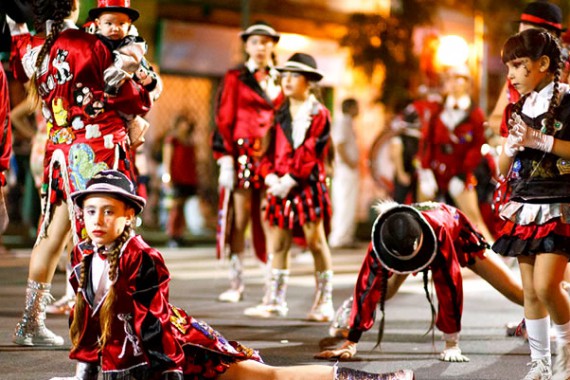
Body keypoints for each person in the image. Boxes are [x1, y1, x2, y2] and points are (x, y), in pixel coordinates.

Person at [47, 169, 415, 380]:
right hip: (132, 361)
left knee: (268, 377)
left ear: (130, 215)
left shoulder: (143, 257)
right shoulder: (81, 255)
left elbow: (153, 327)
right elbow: (90, 326)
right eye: (91, 211)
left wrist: (169, 376)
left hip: (179, 352)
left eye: (109, 211)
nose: (97, 220)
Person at [12, 0, 153, 346]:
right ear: (73, 7)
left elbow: (18, 61)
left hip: (58, 151)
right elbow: (131, 99)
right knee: (101, 236)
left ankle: (30, 325)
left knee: (52, 234)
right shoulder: (90, 45)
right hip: (96, 150)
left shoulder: (35, 49)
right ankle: (97, 330)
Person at [315, 201, 524, 363]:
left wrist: (451, 343)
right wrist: (352, 340)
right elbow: (367, 284)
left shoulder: (439, 230)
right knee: (382, 292)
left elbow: (449, 284)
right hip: (409, 245)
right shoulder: (383, 239)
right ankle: (350, 312)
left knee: (515, 291)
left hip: (456, 236)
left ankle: (547, 313)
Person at [493, 28, 570, 380]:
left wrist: (540, 139)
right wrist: (508, 147)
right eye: (508, 66)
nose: (511, 74)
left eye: (519, 65)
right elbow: (502, 169)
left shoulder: (569, 101)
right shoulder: (518, 107)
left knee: (546, 286)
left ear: (543, 64)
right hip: (524, 203)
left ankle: (566, 359)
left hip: (559, 204)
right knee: (530, 292)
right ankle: (539, 364)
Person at [243, 53, 335, 322]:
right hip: (279, 184)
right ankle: (275, 300)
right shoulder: (277, 111)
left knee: (316, 241)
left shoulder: (320, 114)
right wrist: (270, 177)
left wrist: (291, 179)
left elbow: (312, 151)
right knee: (280, 243)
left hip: (306, 184)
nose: (288, 80)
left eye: (295, 75)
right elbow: (265, 150)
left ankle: (324, 301)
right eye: (285, 75)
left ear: (309, 81)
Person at [212, 21, 284, 303]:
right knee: (239, 218)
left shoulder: (281, 77)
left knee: (270, 217)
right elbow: (223, 116)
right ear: (246, 45)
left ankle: (271, 280)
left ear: (273, 46)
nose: (261, 47)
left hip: (271, 156)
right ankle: (236, 281)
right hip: (241, 152)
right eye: (255, 41)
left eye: (266, 42)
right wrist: (225, 158)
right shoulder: (235, 77)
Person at [415, 65, 495, 244]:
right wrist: (425, 169)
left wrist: (462, 174)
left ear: (467, 84)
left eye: (460, 79)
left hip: (459, 172)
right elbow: (426, 141)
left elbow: (477, 146)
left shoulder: (475, 113)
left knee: (474, 220)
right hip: (434, 170)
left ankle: (495, 257)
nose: (454, 83)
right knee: (420, 217)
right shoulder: (436, 110)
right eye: (451, 79)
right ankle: (417, 255)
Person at [86, 0, 162, 150]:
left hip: (119, 119)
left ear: (129, 25)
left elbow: (149, 80)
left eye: (121, 24)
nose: (115, 28)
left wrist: (146, 79)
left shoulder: (133, 47)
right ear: (97, 23)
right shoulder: (92, 46)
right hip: (94, 119)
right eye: (109, 23)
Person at [488, 0, 566, 136]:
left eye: (530, 38)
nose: (522, 45)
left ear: (552, 37)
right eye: (520, 37)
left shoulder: (565, 76)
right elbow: (494, 120)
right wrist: (518, 130)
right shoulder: (518, 77)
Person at [162, 115, 199, 247]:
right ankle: (172, 234)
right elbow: (167, 159)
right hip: (176, 178)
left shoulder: (189, 140)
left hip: (188, 178)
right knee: (175, 208)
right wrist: (167, 177)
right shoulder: (172, 140)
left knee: (183, 207)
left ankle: (180, 234)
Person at [328, 98, 360, 248]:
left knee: (349, 203)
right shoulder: (342, 123)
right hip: (344, 169)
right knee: (343, 203)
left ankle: (346, 236)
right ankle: (339, 237)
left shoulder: (347, 123)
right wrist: (349, 162)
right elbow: (339, 145)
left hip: (348, 168)